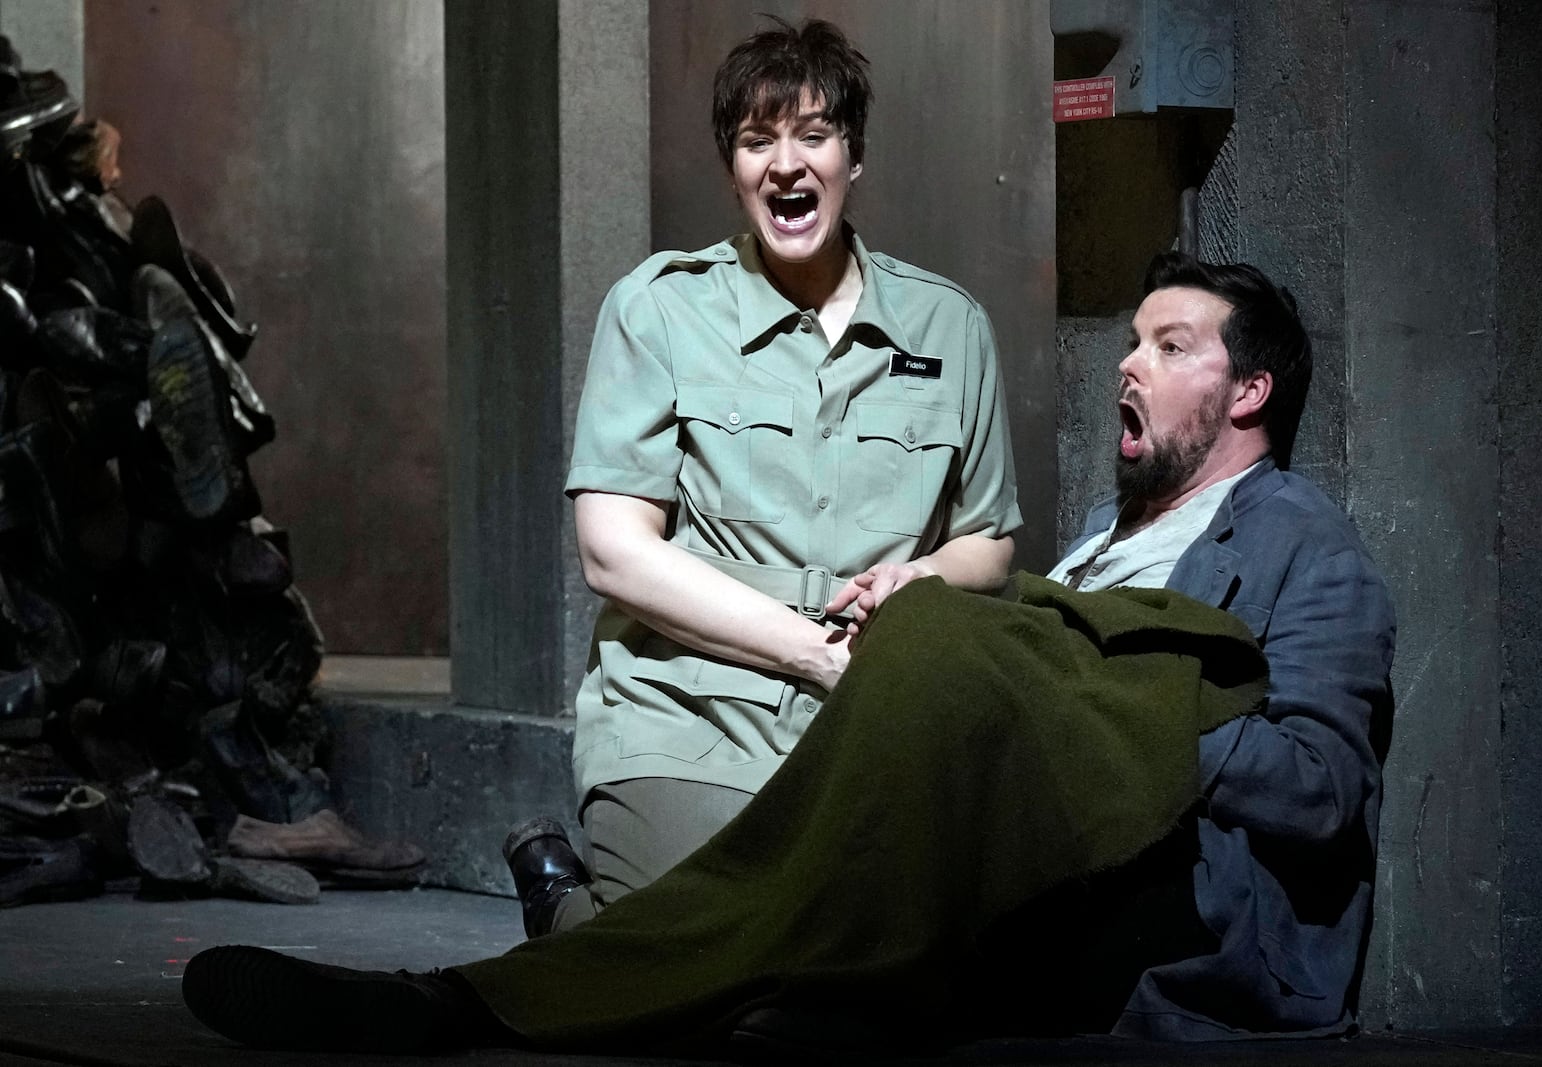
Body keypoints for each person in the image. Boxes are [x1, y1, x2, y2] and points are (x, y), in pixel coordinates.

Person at [181, 252, 1395, 1054]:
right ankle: (460, 992)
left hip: (1130, 906)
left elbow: (1322, 785)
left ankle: (480, 985)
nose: (1127, 362)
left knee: (766, 968)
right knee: (770, 957)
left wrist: (1107, 693)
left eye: (1171, 346)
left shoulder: (1301, 545)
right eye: (1129, 340)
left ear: (1250, 393)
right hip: (983, 859)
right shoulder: (1097, 542)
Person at [502, 17, 1021, 937]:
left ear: (852, 157)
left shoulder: (950, 327)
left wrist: (922, 576)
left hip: (872, 718)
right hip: (686, 711)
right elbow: (616, 556)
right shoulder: (660, 309)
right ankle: (565, 903)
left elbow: (992, 542)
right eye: (757, 141)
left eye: (813, 134)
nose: (786, 163)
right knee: (704, 952)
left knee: (869, 969)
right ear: (734, 168)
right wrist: (812, 653)